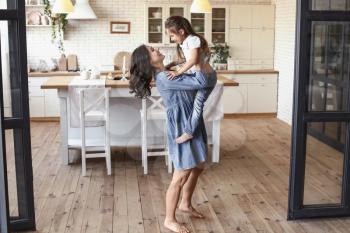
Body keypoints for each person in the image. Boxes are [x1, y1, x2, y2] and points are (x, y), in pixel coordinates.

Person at [129, 45, 210, 233]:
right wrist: (198, 62)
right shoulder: (165, 78)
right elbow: (199, 82)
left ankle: (185, 204)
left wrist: (186, 62)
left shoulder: (168, 72)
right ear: (148, 61)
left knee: (197, 166)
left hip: (192, 120)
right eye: (152, 50)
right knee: (180, 175)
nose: (156, 49)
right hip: (183, 124)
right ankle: (169, 219)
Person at [164, 16, 217, 144]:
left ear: (181, 32)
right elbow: (184, 59)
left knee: (196, 105)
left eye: (172, 36)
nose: (172, 39)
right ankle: (189, 132)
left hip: (204, 78)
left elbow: (193, 60)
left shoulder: (193, 39)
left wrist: (177, 72)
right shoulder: (187, 42)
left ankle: (188, 132)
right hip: (206, 77)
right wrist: (169, 65)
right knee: (197, 106)